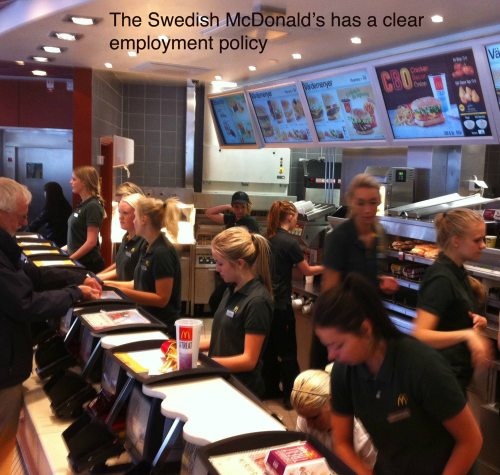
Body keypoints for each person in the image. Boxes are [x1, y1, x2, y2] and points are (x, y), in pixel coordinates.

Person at [314, 272, 483, 475]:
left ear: (366, 329)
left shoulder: (421, 365)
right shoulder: (344, 372)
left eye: (338, 345)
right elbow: (342, 442)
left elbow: (471, 440)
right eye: (327, 346)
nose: (331, 355)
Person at [0, 177, 101, 474]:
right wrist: (74, 294)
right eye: (20, 216)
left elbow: (35, 276)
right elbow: (26, 304)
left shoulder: (6, 246)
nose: (25, 222)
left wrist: (78, 277)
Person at [311, 173, 399, 368]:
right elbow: (330, 290)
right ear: (351, 202)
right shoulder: (339, 238)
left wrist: (380, 281)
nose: (368, 209)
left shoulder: (379, 234)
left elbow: (364, 275)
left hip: (369, 321)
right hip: (344, 325)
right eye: (361, 203)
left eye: (373, 202)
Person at [414, 208, 494, 393]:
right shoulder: (441, 278)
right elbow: (420, 335)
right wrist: (467, 335)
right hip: (439, 381)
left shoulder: (457, 272)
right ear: (456, 240)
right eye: (477, 240)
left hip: (453, 379)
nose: (483, 245)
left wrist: (475, 322)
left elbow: (450, 319)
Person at [262, 200, 324, 407]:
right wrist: (328, 267)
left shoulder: (268, 238)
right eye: (296, 216)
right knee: (288, 351)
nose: (297, 219)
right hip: (281, 303)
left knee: (270, 349)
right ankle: (290, 396)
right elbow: (307, 270)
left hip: (267, 302)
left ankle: (269, 388)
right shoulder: (289, 242)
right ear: (289, 217)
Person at [199, 226, 273, 397]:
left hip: (241, 389)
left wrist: (205, 363)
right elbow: (224, 337)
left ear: (240, 263)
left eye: (220, 263)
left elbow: (248, 360)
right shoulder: (231, 289)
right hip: (222, 381)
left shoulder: (257, 301)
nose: (217, 268)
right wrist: (187, 346)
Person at [103, 196, 181, 336]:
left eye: (136, 217)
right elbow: (137, 283)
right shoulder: (147, 246)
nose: (134, 221)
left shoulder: (162, 252)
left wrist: (119, 292)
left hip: (161, 326)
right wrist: (106, 285)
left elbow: (162, 299)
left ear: (144, 220)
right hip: (146, 318)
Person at [290, 368, 376, 468]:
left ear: (334, 402)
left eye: (314, 418)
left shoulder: (362, 434)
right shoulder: (307, 416)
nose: (309, 425)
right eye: (304, 417)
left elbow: (371, 470)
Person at [97, 193, 147, 281]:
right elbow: (120, 268)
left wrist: (103, 281)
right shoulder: (126, 237)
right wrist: (97, 277)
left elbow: (138, 283)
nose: (120, 217)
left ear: (139, 215)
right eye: (119, 212)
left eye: (125, 213)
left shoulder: (145, 242)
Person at [67, 166, 106, 273]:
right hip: (79, 261)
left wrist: (70, 260)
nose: (70, 182)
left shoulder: (93, 206)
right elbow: (76, 238)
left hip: (88, 264)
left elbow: (91, 242)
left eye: (74, 179)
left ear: (84, 182)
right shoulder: (83, 204)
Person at [27, 181, 72, 246]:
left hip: (54, 242)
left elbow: (36, 224)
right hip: (67, 241)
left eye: (45, 191)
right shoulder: (67, 206)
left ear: (48, 193)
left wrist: (23, 234)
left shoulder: (50, 208)